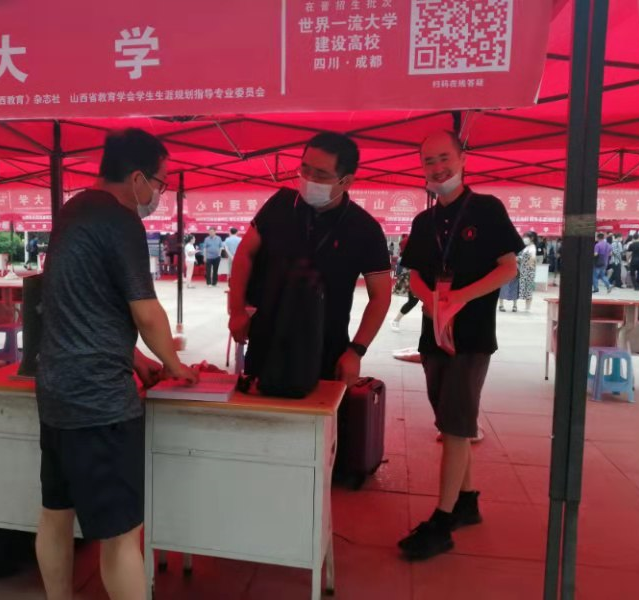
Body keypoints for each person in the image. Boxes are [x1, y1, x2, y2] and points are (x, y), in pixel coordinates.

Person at [35, 128, 198, 600]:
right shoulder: (121, 221)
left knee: (56, 514)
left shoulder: (73, 211)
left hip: (55, 393)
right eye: (161, 183)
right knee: (121, 535)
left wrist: (137, 358)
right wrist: (174, 364)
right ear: (138, 178)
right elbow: (146, 311)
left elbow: (82, 303)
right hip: (100, 402)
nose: (159, 193)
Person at [398, 130, 521, 561]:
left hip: (472, 336)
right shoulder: (424, 222)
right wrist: (433, 302)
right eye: (429, 161)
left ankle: (442, 521)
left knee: (453, 425)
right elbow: (413, 275)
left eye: (444, 158)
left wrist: (461, 298)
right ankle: (466, 500)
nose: (437, 168)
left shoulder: (487, 209)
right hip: (434, 333)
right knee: (450, 416)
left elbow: (509, 267)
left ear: (462, 157)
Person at [228, 131, 392, 386]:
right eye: (305, 169)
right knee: (259, 405)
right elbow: (245, 253)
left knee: (318, 408)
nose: (309, 179)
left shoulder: (364, 228)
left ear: (346, 181)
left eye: (321, 175)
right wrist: (237, 310)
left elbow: (380, 296)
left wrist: (356, 350)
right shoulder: (281, 204)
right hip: (266, 339)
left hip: (324, 348)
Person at [518, 233, 538, 310]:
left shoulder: (533, 247)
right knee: (525, 288)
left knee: (529, 288)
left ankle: (528, 307)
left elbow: (533, 256)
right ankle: (526, 306)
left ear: (531, 238)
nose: (524, 239)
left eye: (526, 237)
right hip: (523, 270)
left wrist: (530, 263)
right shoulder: (527, 247)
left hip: (529, 271)